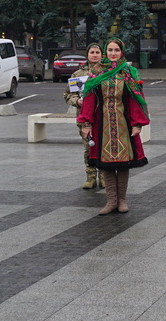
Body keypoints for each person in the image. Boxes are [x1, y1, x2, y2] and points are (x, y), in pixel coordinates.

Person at [77, 38, 150, 215]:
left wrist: (137, 123)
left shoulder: (128, 72)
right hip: (102, 124)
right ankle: (111, 201)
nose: (113, 53)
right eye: (109, 50)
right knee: (105, 163)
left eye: (116, 50)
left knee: (123, 163)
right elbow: (89, 98)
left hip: (123, 122)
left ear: (121, 52)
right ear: (105, 52)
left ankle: (122, 200)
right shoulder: (97, 72)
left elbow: (135, 99)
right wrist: (86, 122)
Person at [64, 43, 104, 190]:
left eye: (97, 52)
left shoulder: (106, 72)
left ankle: (104, 176)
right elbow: (68, 95)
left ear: (101, 54)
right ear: (87, 55)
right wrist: (77, 101)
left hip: (103, 116)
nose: (95, 55)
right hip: (84, 117)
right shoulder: (78, 74)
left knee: (103, 146)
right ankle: (91, 176)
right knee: (89, 147)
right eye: (92, 52)